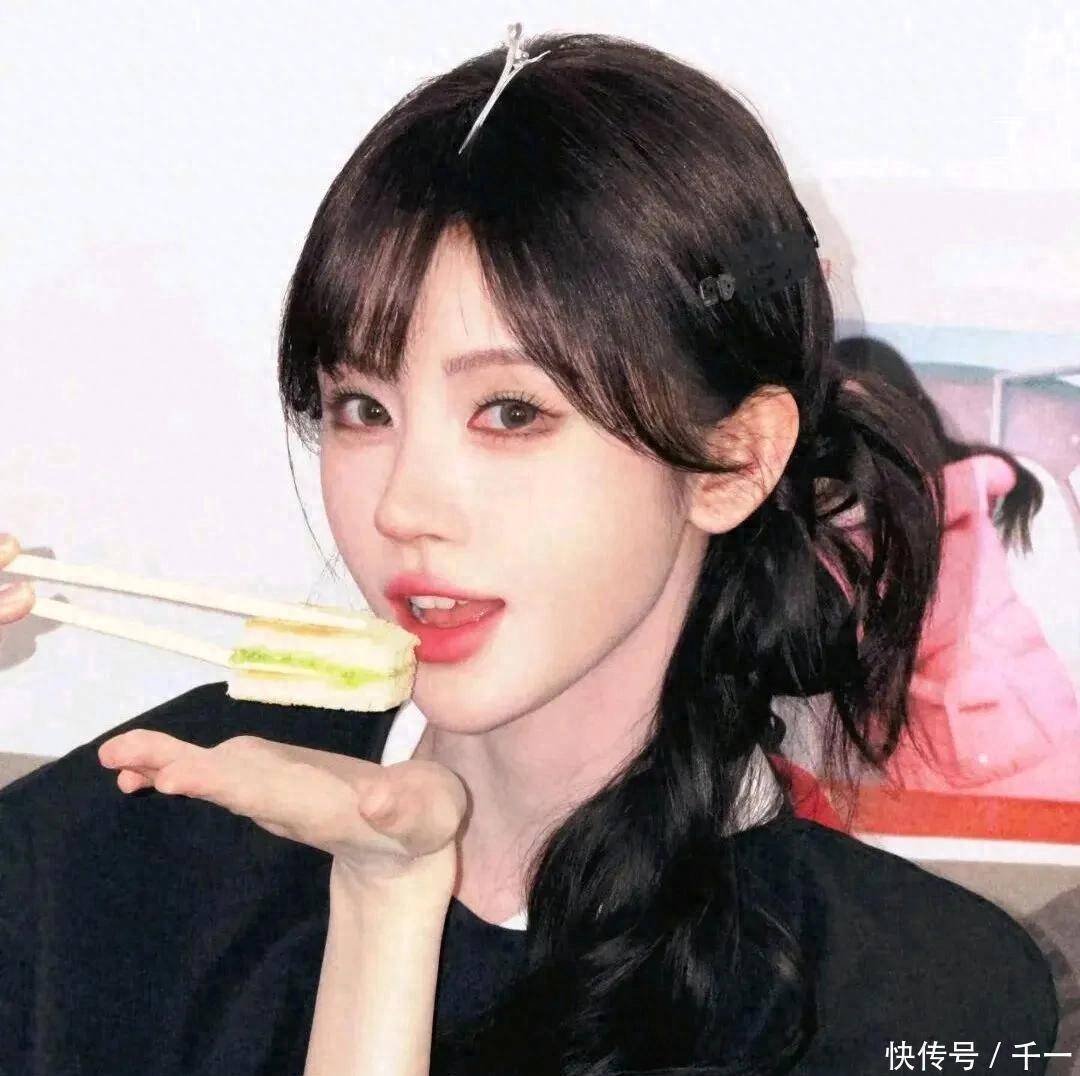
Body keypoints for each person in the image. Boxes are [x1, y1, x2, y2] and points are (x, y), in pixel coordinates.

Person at [0, 29, 1060, 1076]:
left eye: (511, 412)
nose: (404, 506)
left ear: (733, 461)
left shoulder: (916, 998)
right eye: (363, 407)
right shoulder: (147, 816)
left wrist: (386, 900)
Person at [833, 338, 1080, 800]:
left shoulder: (1009, 494)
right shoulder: (838, 529)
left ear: (909, 408)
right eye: (835, 426)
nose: (861, 443)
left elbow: (1062, 630)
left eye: (871, 419)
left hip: (1026, 758)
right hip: (922, 775)